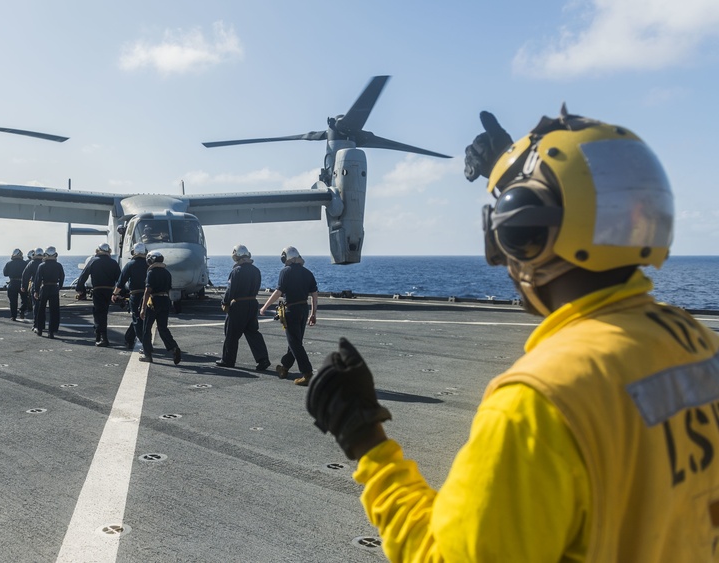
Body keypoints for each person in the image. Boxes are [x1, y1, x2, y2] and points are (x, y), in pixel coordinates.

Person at [305, 107, 719, 562]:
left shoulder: (538, 402)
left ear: (522, 235)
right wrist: (516, 176)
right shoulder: (698, 345)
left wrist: (367, 442)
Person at [260, 246, 317, 385]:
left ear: (287, 258)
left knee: (295, 343)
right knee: (295, 341)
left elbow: (278, 292)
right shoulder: (308, 273)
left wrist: (264, 306)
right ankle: (284, 368)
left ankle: (307, 373)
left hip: (291, 310)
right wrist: (313, 314)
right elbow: (314, 295)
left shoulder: (285, 272)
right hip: (304, 309)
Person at [215, 244, 270, 372]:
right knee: (253, 332)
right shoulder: (256, 270)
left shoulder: (236, 271)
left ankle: (228, 360)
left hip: (239, 305)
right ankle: (263, 359)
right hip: (252, 303)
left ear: (236, 256)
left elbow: (231, 290)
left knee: (231, 333)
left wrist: (225, 302)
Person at [138, 251, 181, 364]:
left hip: (153, 301)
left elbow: (148, 291)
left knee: (146, 329)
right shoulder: (167, 273)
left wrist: (143, 308)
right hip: (165, 300)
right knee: (163, 328)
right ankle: (173, 347)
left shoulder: (151, 272)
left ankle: (148, 355)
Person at [76, 243, 122, 346]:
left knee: (99, 314)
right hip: (110, 291)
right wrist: (119, 293)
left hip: (97, 290)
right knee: (103, 313)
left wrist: (81, 290)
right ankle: (98, 334)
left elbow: (83, 276)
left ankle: (103, 338)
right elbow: (120, 279)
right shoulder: (113, 262)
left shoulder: (93, 261)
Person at [113, 242, 149, 351]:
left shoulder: (130, 264)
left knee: (137, 319)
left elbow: (121, 281)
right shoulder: (149, 264)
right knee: (142, 319)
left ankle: (145, 344)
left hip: (135, 295)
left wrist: (115, 294)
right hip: (149, 296)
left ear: (133, 252)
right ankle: (129, 338)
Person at [33, 246, 65, 338]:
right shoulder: (58, 265)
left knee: (41, 309)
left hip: (44, 287)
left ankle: (39, 329)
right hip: (54, 287)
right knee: (54, 311)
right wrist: (59, 287)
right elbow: (62, 277)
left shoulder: (41, 265)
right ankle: (52, 331)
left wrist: (36, 290)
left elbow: (37, 279)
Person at [2, 248, 27, 320]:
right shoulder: (25, 263)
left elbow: (5, 274)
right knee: (24, 299)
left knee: (13, 301)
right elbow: (28, 273)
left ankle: (13, 316)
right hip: (22, 283)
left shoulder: (9, 263)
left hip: (12, 282)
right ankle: (22, 311)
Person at [20, 247, 44, 320]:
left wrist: (23, 286)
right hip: (45, 285)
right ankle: (41, 323)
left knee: (35, 305)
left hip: (34, 284)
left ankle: (36, 323)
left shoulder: (31, 263)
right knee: (42, 305)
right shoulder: (45, 263)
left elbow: (25, 275)